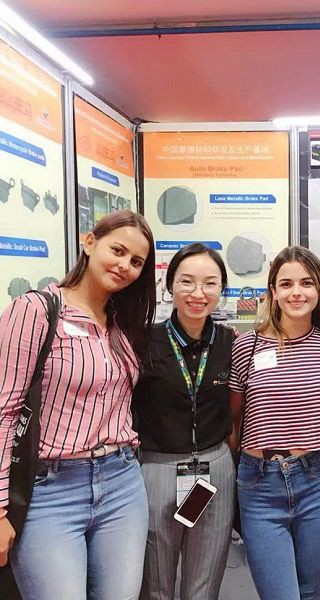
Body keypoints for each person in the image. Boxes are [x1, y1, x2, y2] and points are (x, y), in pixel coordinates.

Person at [0, 210, 155, 599]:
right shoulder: (36, 310)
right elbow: (5, 413)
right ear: (89, 242)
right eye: (117, 250)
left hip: (121, 482)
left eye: (136, 261)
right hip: (50, 489)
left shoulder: (122, 322)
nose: (125, 266)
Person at [229, 246, 320, 600]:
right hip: (260, 485)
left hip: (316, 481)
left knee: (309, 592)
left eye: (307, 283)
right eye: (286, 283)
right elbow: (234, 421)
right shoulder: (245, 346)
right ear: (273, 292)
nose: (297, 292)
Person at [132, 243, 236, 600]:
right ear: (169, 285)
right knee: (156, 583)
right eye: (187, 282)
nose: (198, 293)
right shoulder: (143, 340)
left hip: (215, 467)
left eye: (210, 283)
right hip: (156, 468)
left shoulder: (230, 342)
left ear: (222, 289)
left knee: (204, 584)